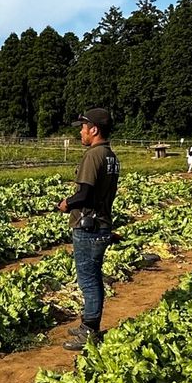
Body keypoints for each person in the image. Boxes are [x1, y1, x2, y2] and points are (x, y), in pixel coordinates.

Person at [58, 107, 120, 348]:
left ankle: (90, 332)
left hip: (89, 226)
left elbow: (84, 193)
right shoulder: (110, 156)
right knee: (92, 278)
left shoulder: (93, 156)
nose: (80, 133)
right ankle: (87, 326)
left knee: (89, 281)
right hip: (102, 223)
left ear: (93, 130)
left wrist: (66, 204)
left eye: (83, 128)